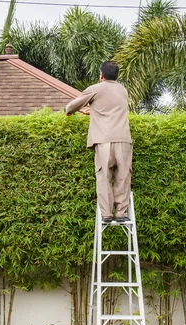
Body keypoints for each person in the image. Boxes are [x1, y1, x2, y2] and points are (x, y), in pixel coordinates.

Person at [65, 61, 132, 223]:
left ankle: (107, 214)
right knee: (123, 177)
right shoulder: (123, 90)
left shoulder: (95, 88)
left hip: (103, 141)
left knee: (104, 177)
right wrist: (94, 111)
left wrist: (70, 110)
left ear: (101, 74)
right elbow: (110, 109)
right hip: (123, 140)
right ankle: (122, 213)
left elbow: (71, 107)